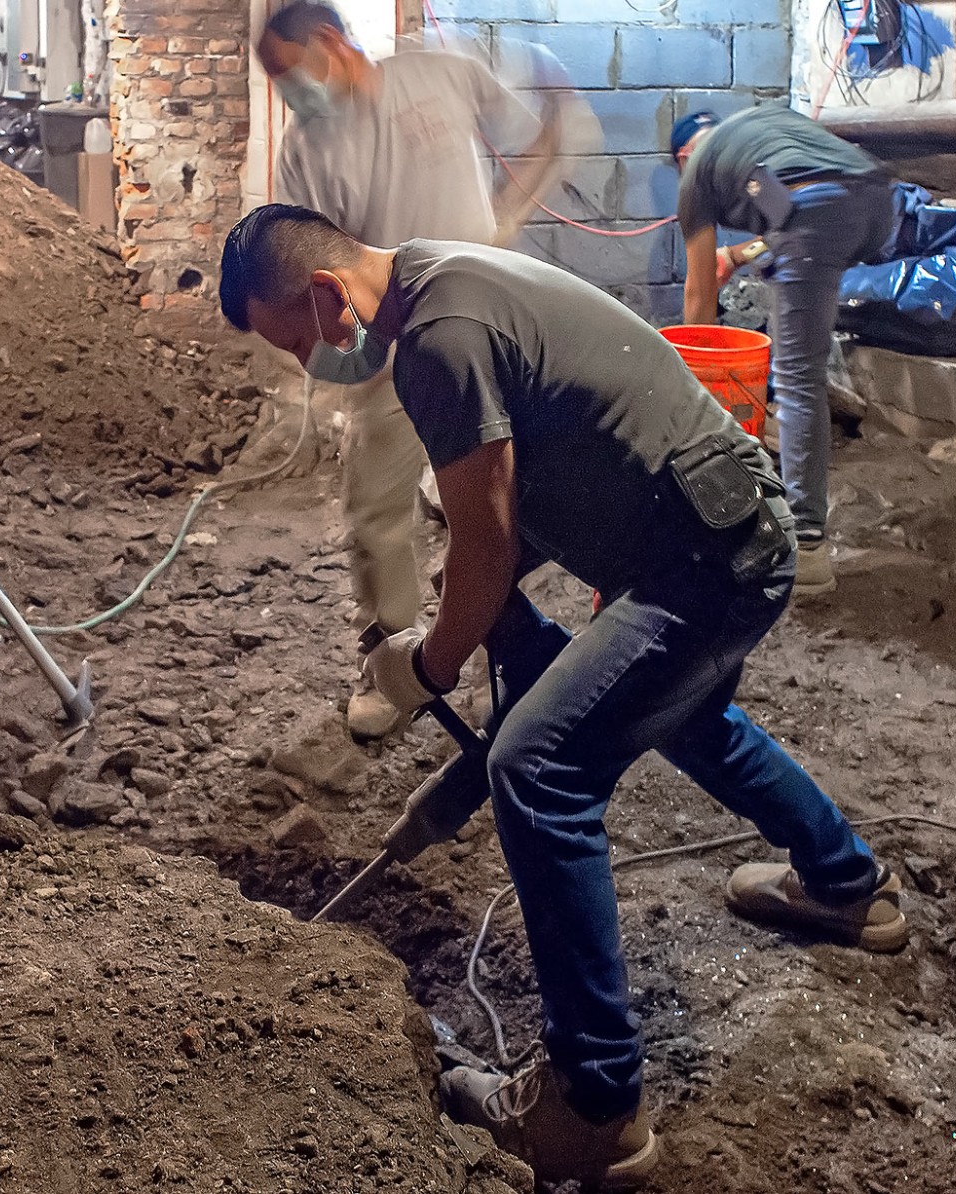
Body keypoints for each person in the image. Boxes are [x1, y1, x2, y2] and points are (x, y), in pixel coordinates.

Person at [218, 204, 908, 1189]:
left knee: (537, 767)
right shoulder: (442, 274)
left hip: (704, 562)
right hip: (725, 533)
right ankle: (846, 886)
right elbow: (524, 508)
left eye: (300, 339)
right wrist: (477, 626)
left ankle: (594, 1105)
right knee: (682, 715)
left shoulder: (437, 342)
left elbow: (490, 545)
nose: (309, 362)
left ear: (326, 294)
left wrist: (428, 664)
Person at [257, 0, 564, 739]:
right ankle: (394, 667)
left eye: (289, 74)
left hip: (489, 322)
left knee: (498, 505)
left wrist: (504, 221)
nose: (289, 95)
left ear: (330, 42)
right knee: (377, 511)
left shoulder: (436, 74)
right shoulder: (305, 149)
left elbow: (547, 130)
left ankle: (509, 665)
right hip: (390, 342)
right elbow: (315, 266)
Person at [675, 105, 896, 596]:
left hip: (817, 211)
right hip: (879, 200)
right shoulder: (758, 127)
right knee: (794, 269)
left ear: (685, 155)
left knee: (797, 379)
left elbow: (698, 292)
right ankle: (793, 474)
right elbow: (787, 206)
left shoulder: (697, 174)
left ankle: (807, 548)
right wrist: (740, 255)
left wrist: (697, 381)